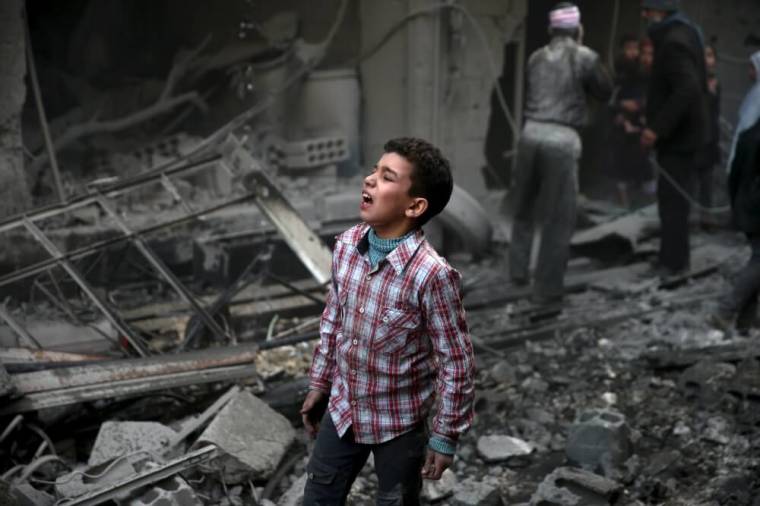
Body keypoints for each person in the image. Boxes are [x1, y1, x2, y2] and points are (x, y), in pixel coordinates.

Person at [300, 137, 475, 505]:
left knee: (395, 501)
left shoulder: (432, 275)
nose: (369, 180)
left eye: (387, 177)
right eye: (374, 171)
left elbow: (456, 362)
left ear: (415, 205)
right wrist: (321, 382)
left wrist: (445, 436)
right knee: (318, 498)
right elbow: (334, 320)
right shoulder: (347, 246)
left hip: (399, 424)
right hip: (344, 409)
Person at [509, 2, 612, 304]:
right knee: (557, 216)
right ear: (578, 29)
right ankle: (548, 290)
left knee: (524, 208)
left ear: (551, 29)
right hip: (561, 140)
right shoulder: (585, 57)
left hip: (530, 134)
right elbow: (604, 90)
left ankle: (517, 271)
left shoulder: (535, 57)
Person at [640, 0, 709, 276]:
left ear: (660, 12)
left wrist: (657, 128)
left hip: (680, 138)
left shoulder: (673, 42)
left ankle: (674, 264)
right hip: (684, 136)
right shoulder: (686, 33)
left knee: (673, 204)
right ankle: (672, 258)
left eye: (648, 11)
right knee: (672, 202)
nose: (645, 16)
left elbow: (686, 88)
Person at [711, 51, 760, 333]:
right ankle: (726, 309)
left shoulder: (748, 130)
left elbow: (735, 172)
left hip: (746, 202)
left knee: (758, 257)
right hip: (756, 204)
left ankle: (745, 322)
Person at [609, 35, 653, 208]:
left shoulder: (648, 75)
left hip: (643, 127)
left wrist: (641, 106)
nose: (633, 53)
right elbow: (611, 98)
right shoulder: (621, 74)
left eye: (637, 49)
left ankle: (645, 203)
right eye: (629, 49)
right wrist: (621, 109)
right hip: (623, 128)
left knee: (644, 165)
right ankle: (624, 202)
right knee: (622, 164)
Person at [694, 43, 722, 229]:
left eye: (710, 55)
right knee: (686, 182)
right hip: (691, 140)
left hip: (709, 140)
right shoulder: (692, 80)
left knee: (706, 183)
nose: (707, 59)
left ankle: (706, 218)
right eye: (704, 55)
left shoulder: (716, 83)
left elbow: (714, 113)